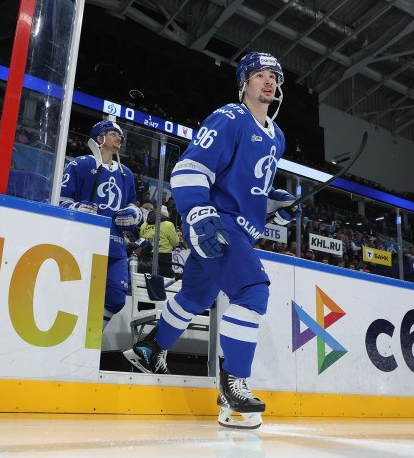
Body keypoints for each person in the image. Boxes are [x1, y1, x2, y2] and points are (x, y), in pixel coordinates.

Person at [123, 52, 300, 429]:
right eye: (259, 75)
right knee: (252, 290)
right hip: (216, 224)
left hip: (237, 229)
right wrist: (198, 214)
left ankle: (151, 347)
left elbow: (248, 190)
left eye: (273, 75)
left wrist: (276, 208)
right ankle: (232, 386)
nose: (269, 81)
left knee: (196, 297)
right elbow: (190, 169)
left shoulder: (278, 137)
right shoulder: (229, 118)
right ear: (244, 83)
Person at [60, 120, 141, 328]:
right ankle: (72, 337)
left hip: (115, 245)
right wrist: (75, 208)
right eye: (113, 133)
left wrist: (134, 214)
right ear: (99, 138)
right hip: (82, 242)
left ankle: (91, 336)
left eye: (120, 135)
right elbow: (61, 199)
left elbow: (132, 204)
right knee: (74, 293)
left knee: (116, 297)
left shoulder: (126, 173)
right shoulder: (80, 164)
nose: (119, 137)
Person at [139, 205, 180, 277]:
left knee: (148, 276)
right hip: (164, 256)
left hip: (147, 255)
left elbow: (141, 239)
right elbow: (175, 242)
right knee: (166, 277)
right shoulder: (168, 224)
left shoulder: (144, 225)